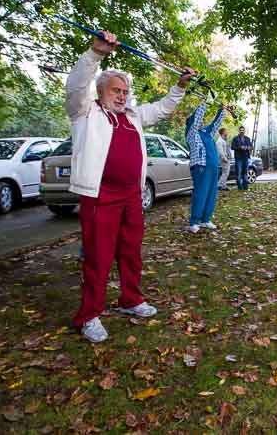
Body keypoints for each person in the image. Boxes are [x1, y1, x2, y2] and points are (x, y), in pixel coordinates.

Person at [66, 30, 192, 343]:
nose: (122, 96)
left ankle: (130, 299)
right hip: (99, 196)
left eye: (125, 91)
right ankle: (89, 316)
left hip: (131, 196)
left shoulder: (133, 115)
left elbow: (162, 109)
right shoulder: (85, 111)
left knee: (131, 251)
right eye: (116, 91)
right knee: (98, 257)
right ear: (101, 92)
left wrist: (179, 86)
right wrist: (95, 53)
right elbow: (76, 86)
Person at [186, 102, 234, 233]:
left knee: (211, 194)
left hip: (213, 168)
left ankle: (205, 219)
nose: (201, 122)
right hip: (201, 167)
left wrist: (222, 110)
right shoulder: (191, 133)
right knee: (200, 194)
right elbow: (196, 118)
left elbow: (215, 124)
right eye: (198, 121)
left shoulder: (206, 133)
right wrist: (205, 101)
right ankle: (194, 222)